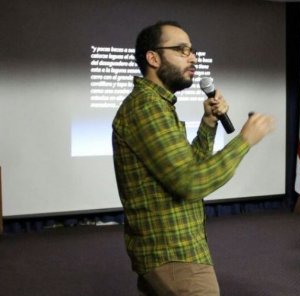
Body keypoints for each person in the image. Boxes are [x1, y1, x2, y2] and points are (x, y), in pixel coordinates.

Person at [112, 20, 275, 296]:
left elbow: (189, 166)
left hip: (176, 252)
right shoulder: (147, 109)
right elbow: (191, 183)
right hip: (173, 255)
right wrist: (245, 140)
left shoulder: (157, 105)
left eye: (192, 50)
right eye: (182, 49)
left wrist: (209, 123)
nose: (193, 57)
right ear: (153, 58)